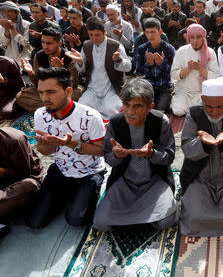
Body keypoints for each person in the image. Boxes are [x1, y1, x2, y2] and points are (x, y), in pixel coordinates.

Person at [25, 67, 106, 229]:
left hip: (89, 172)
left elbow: (102, 150)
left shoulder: (90, 116)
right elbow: (44, 150)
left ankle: (85, 193)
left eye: (51, 92)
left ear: (68, 91)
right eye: (41, 93)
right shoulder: (41, 114)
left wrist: (71, 144)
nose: (45, 98)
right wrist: (49, 144)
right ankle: (68, 197)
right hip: (61, 170)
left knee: (75, 220)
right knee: (34, 222)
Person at [93, 78, 178, 231]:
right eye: (126, 105)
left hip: (155, 181)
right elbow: (108, 158)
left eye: (137, 106)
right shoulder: (115, 123)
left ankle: (139, 216)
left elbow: (169, 156)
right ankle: (141, 217)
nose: (130, 112)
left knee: (165, 221)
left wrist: (152, 154)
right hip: (125, 181)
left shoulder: (160, 121)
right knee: (101, 223)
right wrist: (118, 155)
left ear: (149, 107)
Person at [179, 78, 223, 236]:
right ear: (203, 100)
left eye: (220, 106)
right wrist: (203, 143)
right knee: (193, 218)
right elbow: (186, 147)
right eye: (209, 107)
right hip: (200, 178)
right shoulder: (194, 113)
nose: (214, 112)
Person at [66, 16, 132, 121]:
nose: (94, 38)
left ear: (104, 32)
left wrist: (118, 60)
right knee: (83, 108)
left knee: (111, 110)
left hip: (112, 88)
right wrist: (79, 62)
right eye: (90, 35)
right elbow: (81, 69)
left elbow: (128, 67)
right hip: (92, 88)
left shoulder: (115, 45)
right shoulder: (87, 45)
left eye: (97, 35)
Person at [16, 27, 82, 114]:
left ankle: (46, 110)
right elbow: (37, 84)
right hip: (45, 91)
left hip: (61, 91)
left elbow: (73, 85)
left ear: (59, 43)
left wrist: (61, 72)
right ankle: (55, 108)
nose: (45, 46)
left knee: (78, 93)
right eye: (43, 42)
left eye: (49, 43)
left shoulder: (69, 57)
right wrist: (31, 73)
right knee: (20, 97)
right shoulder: (39, 56)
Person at [170, 24, 218, 116]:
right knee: (178, 111)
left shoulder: (210, 52)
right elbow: (173, 74)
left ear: (203, 38)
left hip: (201, 93)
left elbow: (215, 76)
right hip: (183, 92)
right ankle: (183, 105)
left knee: (200, 112)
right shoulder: (181, 51)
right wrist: (189, 69)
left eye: (198, 37)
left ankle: (192, 109)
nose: (195, 41)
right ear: (188, 38)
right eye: (192, 37)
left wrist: (200, 68)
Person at [0, 127, 43, 223]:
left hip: (22, 181)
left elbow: (26, 174)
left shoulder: (13, 139)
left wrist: (2, 172)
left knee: (29, 185)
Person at [136, 18, 176, 113]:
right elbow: (138, 72)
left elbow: (174, 72)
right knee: (142, 109)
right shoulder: (142, 49)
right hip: (147, 87)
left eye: (153, 32)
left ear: (160, 31)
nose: (150, 35)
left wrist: (161, 64)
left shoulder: (169, 49)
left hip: (164, 87)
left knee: (160, 110)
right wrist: (148, 65)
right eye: (147, 32)